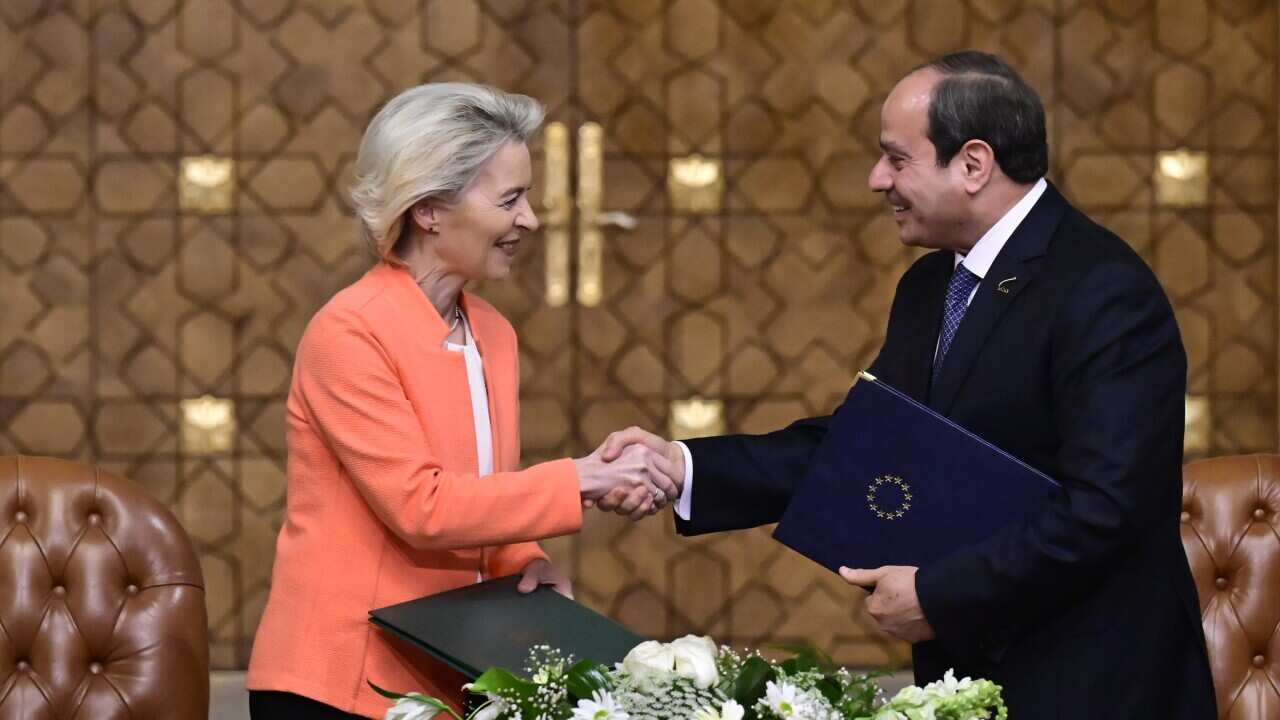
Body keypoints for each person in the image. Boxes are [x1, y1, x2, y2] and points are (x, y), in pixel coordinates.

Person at [601, 52, 1216, 717]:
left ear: (974, 165)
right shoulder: (931, 284)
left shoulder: (1103, 290)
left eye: (896, 160)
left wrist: (938, 594)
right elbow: (866, 445)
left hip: (1094, 683)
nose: (875, 180)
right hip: (975, 673)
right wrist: (685, 466)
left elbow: (1106, 509)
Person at [245, 83, 676, 719]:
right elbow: (422, 506)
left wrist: (526, 562)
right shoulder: (349, 333)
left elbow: (484, 494)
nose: (529, 218)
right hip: (337, 684)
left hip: (446, 675)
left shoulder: (494, 334)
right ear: (429, 210)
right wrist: (583, 478)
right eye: (510, 199)